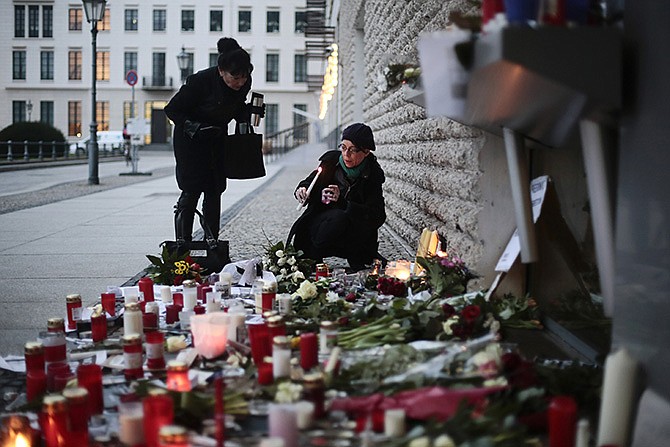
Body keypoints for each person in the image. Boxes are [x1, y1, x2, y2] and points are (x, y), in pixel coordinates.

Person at [164, 38, 263, 241]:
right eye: (235, 77)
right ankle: (183, 243)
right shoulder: (199, 82)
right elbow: (172, 109)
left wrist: (250, 112)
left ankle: (211, 241)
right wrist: (197, 128)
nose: (241, 82)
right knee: (191, 191)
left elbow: (235, 108)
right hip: (190, 141)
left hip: (217, 139)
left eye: (244, 77)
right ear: (221, 71)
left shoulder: (244, 82)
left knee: (214, 189)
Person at [288, 123, 386, 270]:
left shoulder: (372, 175)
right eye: (343, 147)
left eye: (353, 150)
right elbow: (310, 181)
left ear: (366, 152)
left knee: (341, 217)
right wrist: (302, 189)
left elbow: (377, 216)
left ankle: (355, 255)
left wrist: (344, 202)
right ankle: (313, 255)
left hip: (352, 234)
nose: (346, 155)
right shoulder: (331, 163)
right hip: (321, 226)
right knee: (336, 219)